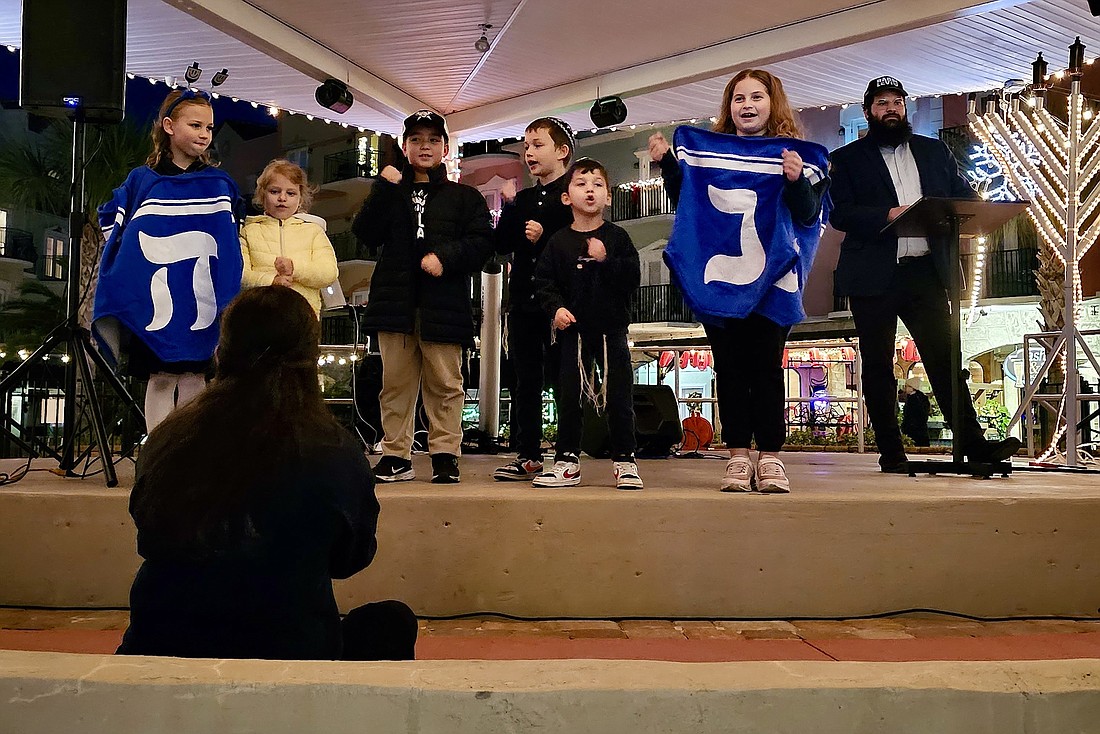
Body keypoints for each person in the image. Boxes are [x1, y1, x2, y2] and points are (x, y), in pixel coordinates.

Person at [117, 286, 416, 661]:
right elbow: (351, 558)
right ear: (310, 358)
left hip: (160, 647)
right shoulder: (333, 450)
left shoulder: (168, 439)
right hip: (286, 651)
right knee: (392, 623)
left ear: (220, 353)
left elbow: (148, 531)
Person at [649, 69, 830, 493]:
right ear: (728, 107)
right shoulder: (708, 154)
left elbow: (808, 216)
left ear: (774, 103)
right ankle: (736, 456)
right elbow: (688, 200)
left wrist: (795, 180)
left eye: (756, 97)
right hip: (722, 277)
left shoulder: (798, 156)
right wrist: (668, 165)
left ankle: (770, 457)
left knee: (766, 366)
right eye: (738, 98)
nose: (747, 105)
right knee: (729, 366)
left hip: (774, 278)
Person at [829, 75, 1021, 472]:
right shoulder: (848, 159)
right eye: (881, 104)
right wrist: (887, 215)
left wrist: (979, 208)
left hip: (926, 273)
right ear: (868, 113)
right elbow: (840, 213)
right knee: (879, 367)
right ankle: (891, 452)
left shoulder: (935, 153)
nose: (891, 110)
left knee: (946, 362)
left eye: (897, 102)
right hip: (874, 275)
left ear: (906, 108)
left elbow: (961, 195)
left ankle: (974, 446)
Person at [352, 110, 493, 484]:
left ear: (446, 147)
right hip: (394, 303)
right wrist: (382, 188)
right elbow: (364, 233)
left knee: (446, 384)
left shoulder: (465, 198)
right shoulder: (390, 190)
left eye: (432, 139)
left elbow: (482, 245)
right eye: (416, 139)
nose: (424, 146)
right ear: (404, 145)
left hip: (445, 305)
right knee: (394, 384)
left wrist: (445, 258)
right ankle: (395, 454)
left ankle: (445, 454)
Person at [94, 88, 243, 433]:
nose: (204, 134)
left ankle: (189, 460)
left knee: (195, 379)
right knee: (160, 379)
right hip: (154, 299)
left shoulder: (220, 184)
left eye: (209, 127)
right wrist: (125, 267)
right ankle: (157, 460)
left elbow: (230, 242)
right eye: (195, 125)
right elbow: (112, 223)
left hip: (201, 301)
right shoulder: (142, 181)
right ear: (169, 126)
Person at [533, 158, 643, 490]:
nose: (590, 190)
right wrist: (556, 309)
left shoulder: (618, 237)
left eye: (597, 185)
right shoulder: (557, 241)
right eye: (581, 184)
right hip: (573, 333)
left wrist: (605, 259)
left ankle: (625, 461)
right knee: (569, 396)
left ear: (608, 197)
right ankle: (567, 460)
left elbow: (632, 278)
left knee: (619, 396)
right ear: (567, 197)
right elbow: (543, 281)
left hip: (612, 331)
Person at [492, 117, 577, 482]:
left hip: (559, 303)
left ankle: (568, 451)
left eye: (538, 145)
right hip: (523, 302)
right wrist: (510, 209)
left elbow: (578, 243)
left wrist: (545, 234)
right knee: (524, 379)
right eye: (526, 146)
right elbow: (501, 245)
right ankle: (527, 452)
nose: (529, 153)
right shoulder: (525, 198)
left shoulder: (574, 194)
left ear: (562, 151)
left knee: (564, 377)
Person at [240, 159, 339, 317]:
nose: (282, 198)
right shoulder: (248, 232)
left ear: (300, 199)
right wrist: (271, 280)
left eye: (291, 193)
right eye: (274, 191)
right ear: (262, 195)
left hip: (303, 316)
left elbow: (329, 273)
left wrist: (295, 269)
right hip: (260, 314)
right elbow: (241, 274)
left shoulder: (313, 231)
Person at [901, 376, 932, 447]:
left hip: (914, 430)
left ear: (912, 388)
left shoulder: (914, 399)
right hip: (919, 430)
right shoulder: (921, 398)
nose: (905, 388)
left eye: (906, 386)